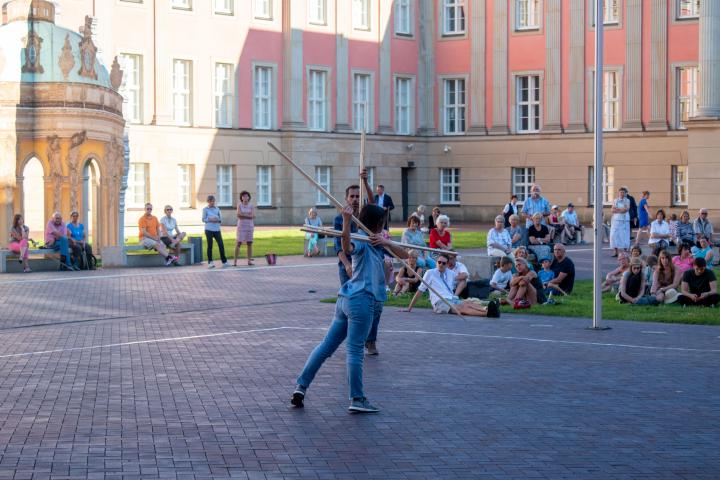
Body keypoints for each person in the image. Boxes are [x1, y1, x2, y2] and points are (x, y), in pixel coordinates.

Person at [291, 204, 409, 413]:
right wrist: (346, 221)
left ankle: (301, 386)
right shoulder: (361, 239)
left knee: (326, 346)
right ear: (376, 223)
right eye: (382, 223)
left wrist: (386, 241)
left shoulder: (377, 241)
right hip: (361, 301)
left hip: (347, 298)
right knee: (354, 350)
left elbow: (405, 254)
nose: (384, 226)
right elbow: (347, 248)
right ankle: (357, 398)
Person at [404, 254, 498, 317]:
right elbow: (420, 290)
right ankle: (487, 313)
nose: (441, 264)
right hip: (440, 302)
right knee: (461, 308)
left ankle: (487, 308)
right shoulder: (430, 273)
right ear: (436, 262)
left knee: (467, 303)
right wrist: (409, 308)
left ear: (447, 264)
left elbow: (464, 276)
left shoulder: (451, 273)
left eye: (443, 263)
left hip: (451, 298)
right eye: (439, 262)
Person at [334, 169, 374, 285]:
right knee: (347, 296)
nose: (355, 199)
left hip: (364, 263)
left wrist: (365, 182)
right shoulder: (339, 219)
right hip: (347, 263)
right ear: (347, 199)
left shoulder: (365, 216)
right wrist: (347, 265)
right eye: (352, 196)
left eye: (358, 196)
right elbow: (338, 247)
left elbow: (373, 203)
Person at [202, 195, 228, 268]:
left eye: (213, 201)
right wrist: (210, 219)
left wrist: (217, 219)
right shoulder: (205, 209)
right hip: (208, 230)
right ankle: (210, 262)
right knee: (210, 246)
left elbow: (220, 219)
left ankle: (224, 261)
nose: (212, 202)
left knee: (221, 245)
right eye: (211, 201)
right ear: (208, 202)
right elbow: (203, 219)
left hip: (217, 230)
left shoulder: (217, 209)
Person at [234, 191, 255, 266]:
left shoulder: (251, 205)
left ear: (249, 197)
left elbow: (252, 216)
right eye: (243, 196)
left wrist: (243, 215)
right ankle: (235, 261)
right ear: (241, 197)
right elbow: (239, 215)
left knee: (249, 243)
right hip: (241, 226)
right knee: (238, 243)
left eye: (246, 196)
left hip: (249, 226)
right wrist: (247, 215)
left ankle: (249, 261)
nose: (245, 197)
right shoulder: (239, 205)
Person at [610, 187, 631, 257]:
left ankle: (624, 251)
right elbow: (612, 210)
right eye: (620, 192)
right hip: (616, 220)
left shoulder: (627, 200)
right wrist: (620, 210)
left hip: (624, 220)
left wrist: (617, 209)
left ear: (625, 193)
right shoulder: (615, 200)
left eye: (623, 192)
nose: (621, 194)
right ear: (618, 193)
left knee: (624, 236)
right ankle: (615, 251)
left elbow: (626, 209)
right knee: (614, 235)